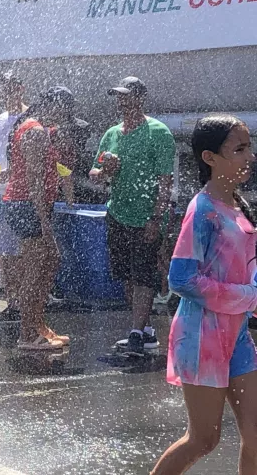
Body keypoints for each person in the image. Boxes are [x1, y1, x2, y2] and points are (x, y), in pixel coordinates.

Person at [152, 115, 257, 474]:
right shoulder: (203, 210)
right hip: (203, 339)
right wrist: (247, 297)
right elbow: (180, 278)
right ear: (210, 157)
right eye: (239, 149)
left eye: (249, 147)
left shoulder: (238, 205)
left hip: (237, 336)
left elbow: (246, 265)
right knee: (203, 439)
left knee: (256, 437)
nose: (249, 157)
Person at [89, 77, 175, 354]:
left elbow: (165, 180)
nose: (122, 101)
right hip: (118, 213)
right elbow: (95, 174)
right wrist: (105, 171)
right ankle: (145, 329)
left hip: (145, 217)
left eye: (127, 96)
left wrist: (156, 217)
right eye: (119, 96)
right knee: (127, 275)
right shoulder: (112, 133)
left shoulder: (158, 132)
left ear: (140, 98)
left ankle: (137, 332)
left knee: (144, 276)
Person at [2, 87, 75, 350]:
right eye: (64, 111)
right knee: (35, 270)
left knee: (50, 261)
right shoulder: (34, 131)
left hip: (29, 204)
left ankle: (37, 325)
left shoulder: (36, 129)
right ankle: (26, 334)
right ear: (54, 106)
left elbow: (22, 168)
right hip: (27, 206)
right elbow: (33, 179)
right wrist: (44, 221)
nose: (65, 117)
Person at [0, 73, 29, 320]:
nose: (8, 94)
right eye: (4, 90)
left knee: (23, 250)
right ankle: (11, 299)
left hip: (23, 193)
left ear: (21, 89)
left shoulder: (30, 117)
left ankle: (24, 300)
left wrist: (14, 173)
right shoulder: (1, 118)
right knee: (4, 250)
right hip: (1, 192)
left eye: (12, 88)